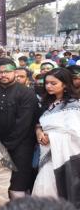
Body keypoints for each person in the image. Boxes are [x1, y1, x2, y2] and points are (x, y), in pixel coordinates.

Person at [0, 58, 38, 199]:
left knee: (17, 185)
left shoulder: (26, 93)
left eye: (7, 71)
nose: (3, 75)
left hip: (21, 146)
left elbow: (24, 124)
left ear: (14, 72)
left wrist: (7, 145)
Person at [32, 68, 80, 208]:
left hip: (66, 158)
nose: (48, 86)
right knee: (43, 189)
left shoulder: (74, 105)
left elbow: (76, 134)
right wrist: (39, 132)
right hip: (47, 155)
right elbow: (38, 124)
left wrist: (52, 137)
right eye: (46, 83)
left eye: (53, 83)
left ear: (65, 84)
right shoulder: (46, 103)